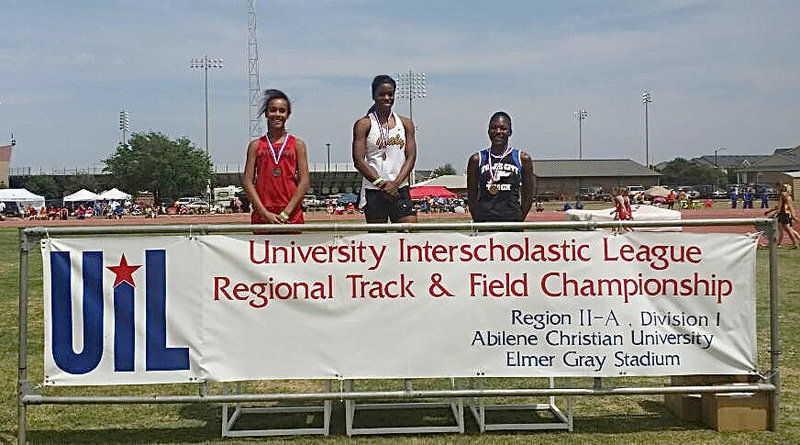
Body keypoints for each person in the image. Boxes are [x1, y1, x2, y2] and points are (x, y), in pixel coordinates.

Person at [352, 75, 418, 224]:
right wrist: (382, 184)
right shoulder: (364, 124)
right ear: (373, 96)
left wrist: (394, 185)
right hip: (375, 190)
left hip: (399, 188)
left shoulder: (406, 123)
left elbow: (411, 157)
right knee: (378, 239)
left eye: (390, 94)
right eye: (382, 94)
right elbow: (358, 160)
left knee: (411, 236)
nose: (387, 98)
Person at [243, 89, 310, 227]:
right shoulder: (255, 146)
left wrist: (286, 213)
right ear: (266, 113)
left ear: (288, 115)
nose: (277, 114)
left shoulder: (298, 145)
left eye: (282, 110)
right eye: (273, 110)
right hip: (263, 214)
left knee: (290, 249)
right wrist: (263, 212)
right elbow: (247, 182)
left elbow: (304, 182)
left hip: (290, 214)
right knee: (262, 249)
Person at [467, 111, 534, 222]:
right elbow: (471, 196)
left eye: (503, 128)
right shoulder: (477, 159)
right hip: (484, 222)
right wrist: (478, 219)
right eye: (494, 128)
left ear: (510, 132)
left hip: (513, 222)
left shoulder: (522, 158)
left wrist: (518, 220)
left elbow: (528, 196)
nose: (498, 132)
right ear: (488, 131)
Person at [764, 184, 800, 249]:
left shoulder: (783, 195)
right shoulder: (788, 196)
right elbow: (784, 206)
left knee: (788, 230)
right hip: (785, 214)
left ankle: (795, 244)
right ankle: (777, 243)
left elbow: (783, 207)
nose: (781, 188)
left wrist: (774, 213)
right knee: (787, 230)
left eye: (783, 187)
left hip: (784, 215)